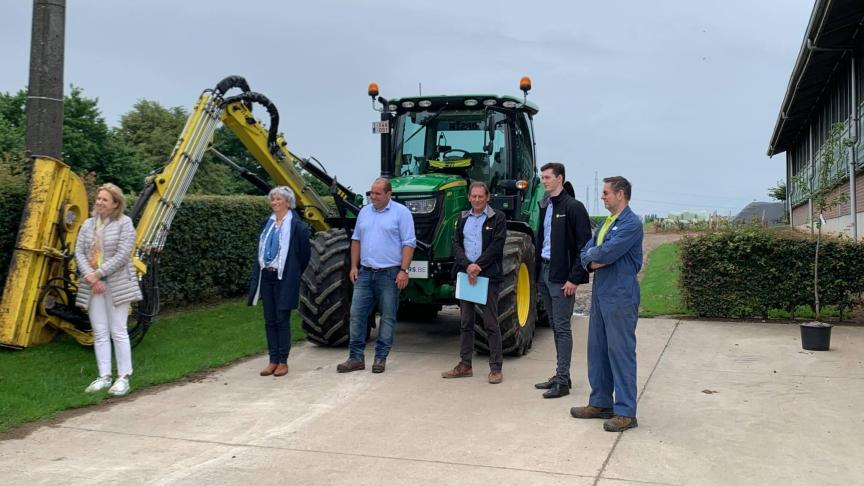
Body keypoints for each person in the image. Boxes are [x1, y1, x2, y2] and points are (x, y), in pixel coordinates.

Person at [571, 176, 643, 432]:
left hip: (621, 294)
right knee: (598, 349)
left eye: (606, 193)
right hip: (601, 292)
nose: (602, 197)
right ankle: (601, 402)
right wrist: (592, 259)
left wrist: (595, 257)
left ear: (620, 194)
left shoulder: (631, 224)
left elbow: (608, 252)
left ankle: (625, 412)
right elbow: (586, 252)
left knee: (620, 352)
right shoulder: (606, 223)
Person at [337, 178, 416, 374]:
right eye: (371, 193)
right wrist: (353, 266)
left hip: (390, 274)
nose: (373, 196)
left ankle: (380, 358)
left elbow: (409, 243)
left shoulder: (401, 213)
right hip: (365, 273)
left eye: (377, 193)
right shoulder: (364, 212)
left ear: (388, 194)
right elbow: (356, 240)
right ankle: (355, 358)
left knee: (387, 317)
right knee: (356, 315)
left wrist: (403, 270)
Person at [75, 183, 143, 396]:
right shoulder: (88, 224)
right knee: (100, 331)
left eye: (105, 199)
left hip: (117, 284)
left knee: (118, 330)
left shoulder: (125, 223)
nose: (99, 202)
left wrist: (99, 273)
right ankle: (104, 377)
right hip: (93, 285)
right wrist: (92, 277)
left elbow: (123, 255)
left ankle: (123, 378)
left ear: (115, 204)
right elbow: (79, 252)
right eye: (98, 198)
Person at [533, 162, 592, 399]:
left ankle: (562, 380)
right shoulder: (546, 205)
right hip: (544, 272)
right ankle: (561, 375)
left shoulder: (574, 207)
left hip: (561, 277)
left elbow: (584, 246)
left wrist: (574, 279)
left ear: (560, 178)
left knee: (562, 327)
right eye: (542, 177)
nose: (543, 181)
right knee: (555, 326)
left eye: (547, 177)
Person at [442, 182, 507, 384]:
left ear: (488, 197)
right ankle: (465, 365)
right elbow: (456, 244)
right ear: (469, 197)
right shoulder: (462, 219)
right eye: (474, 196)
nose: (477, 200)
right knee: (465, 322)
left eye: (481, 196)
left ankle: (495, 368)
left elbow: (497, 245)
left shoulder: (497, 218)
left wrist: (478, 266)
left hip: (487, 276)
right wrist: (467, 266)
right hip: (466, 275)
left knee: (490, 323)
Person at [248, 186, 311, 377]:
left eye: (278, 199)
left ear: (288, 202)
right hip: (266, 276)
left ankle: (283, 361)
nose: (274, 203)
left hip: (284, 277)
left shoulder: (297, 226)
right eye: (273, 199)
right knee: (269, 319)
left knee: (282, 319)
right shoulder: (266, 224)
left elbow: (304, 256)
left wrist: (293, 273)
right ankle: (272, 360)